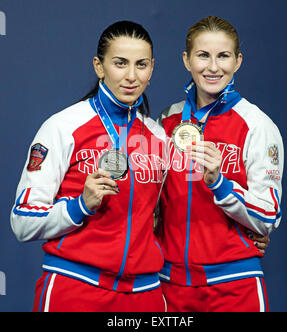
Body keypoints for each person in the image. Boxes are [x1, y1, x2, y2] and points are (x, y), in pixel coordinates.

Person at [10, 21, 168, 312]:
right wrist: (80, 205)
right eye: (120, 63)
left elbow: (164, 217)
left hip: (144, 294)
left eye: (141, 64)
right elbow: (22, 222)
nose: (132, 76)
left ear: (152, 68)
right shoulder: (63, 127)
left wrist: (249, 235)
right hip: (76, 287)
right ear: (99, 66)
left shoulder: (158, 136)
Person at [156, 16, 283, 312]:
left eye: (223, 56)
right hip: (169, 284)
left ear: (238, 61)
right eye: (203, 55)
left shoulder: (257, 126)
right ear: (186, 60)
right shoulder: (167, 121)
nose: (213, 67)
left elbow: (268, 216)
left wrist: (220, 183)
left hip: (233, 285)